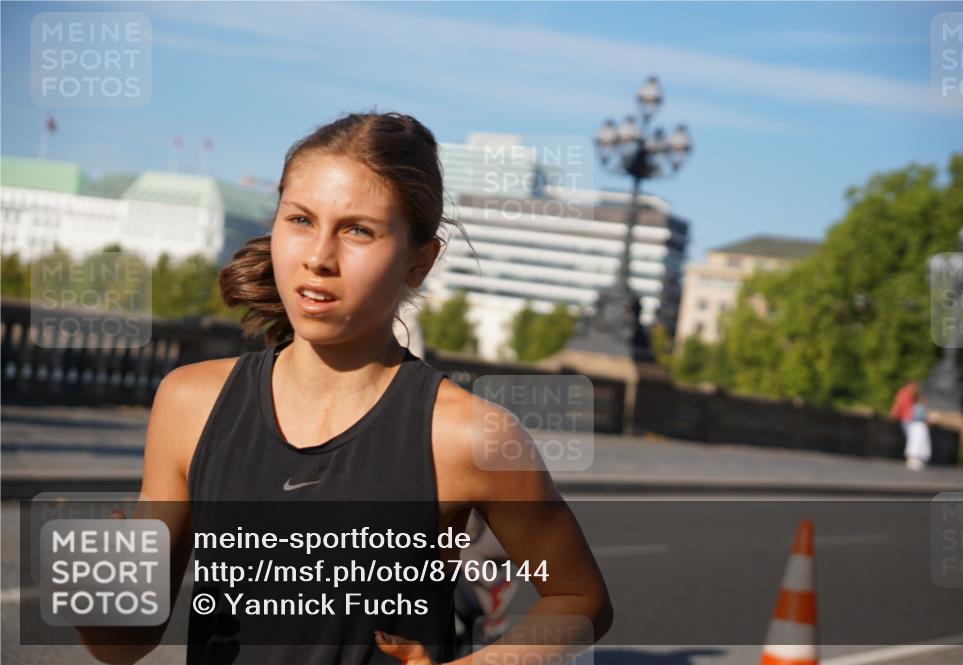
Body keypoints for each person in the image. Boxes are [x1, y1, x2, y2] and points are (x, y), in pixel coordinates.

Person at [76, 112, 613, 664]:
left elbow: (580, 599)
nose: (318, 257)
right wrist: (101, 589)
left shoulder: (470, 436)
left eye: (359, 230)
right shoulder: (189, 403)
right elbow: (123, 647)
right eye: (301, 220)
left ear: (418, 262)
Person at [904, 391, 933, 470]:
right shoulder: (918, 407)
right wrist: (928, 419)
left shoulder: (919, 407)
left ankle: (917, 459)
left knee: (919, 444)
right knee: (916, 443)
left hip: (918, 428)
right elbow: (918, 417)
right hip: (918, 428)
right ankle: (913, 459)